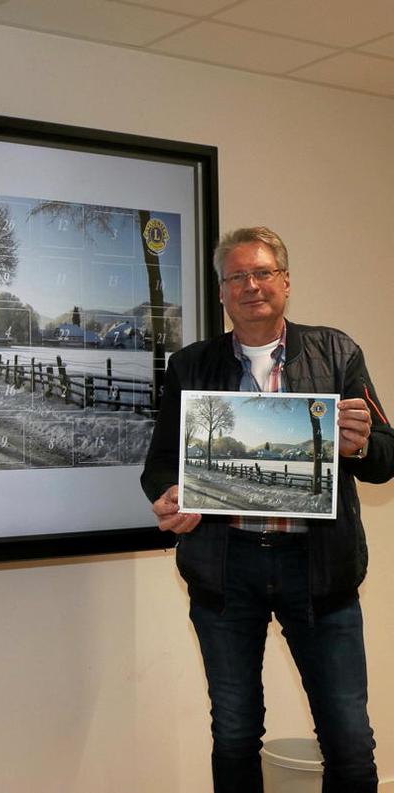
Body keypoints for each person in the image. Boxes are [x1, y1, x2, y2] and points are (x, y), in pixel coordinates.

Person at [142, 226, 394, 793]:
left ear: (285, 281)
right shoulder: (190, 367)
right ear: (223, 290)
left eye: (262, 273)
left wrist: (357, 443)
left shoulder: (337, 352)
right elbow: (160, 463)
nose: (251, 285)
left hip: (320, 572)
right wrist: (168, 496)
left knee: (350, 742)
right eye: (237, 276)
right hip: (225, 572)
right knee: (233, 736)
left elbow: (385, 457)